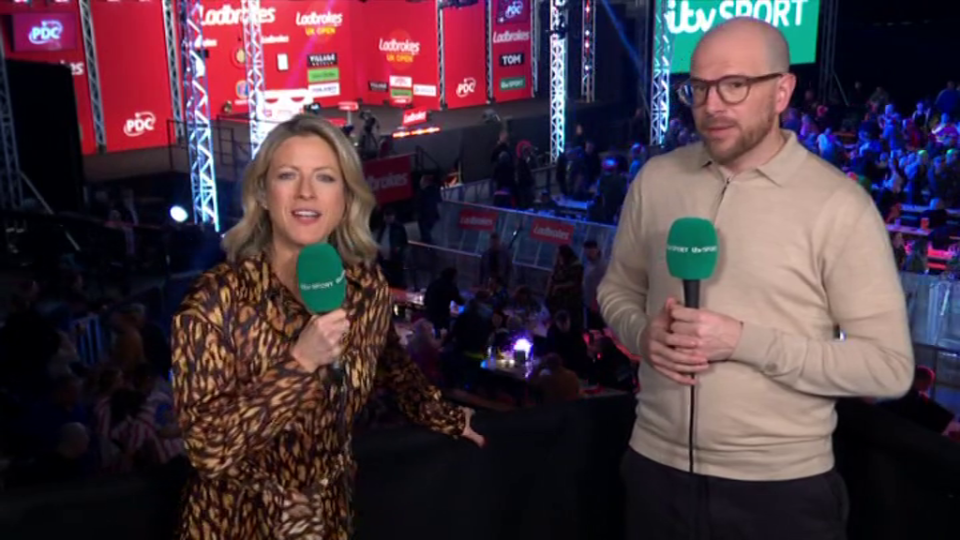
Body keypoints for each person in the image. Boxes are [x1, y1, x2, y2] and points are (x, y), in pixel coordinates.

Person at [598, 19, 913, 540]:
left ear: (782, 91)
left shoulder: (839, 206)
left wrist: (743, 341)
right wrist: (642, 335)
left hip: (779, 494)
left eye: (735, 85)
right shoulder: (657, 179)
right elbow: (616, 290)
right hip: (654, 469)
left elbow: (888, 369)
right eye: (698, 88)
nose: (712, 105)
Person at [171, 115, 484, 540]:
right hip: (235, 524)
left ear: (345, 197)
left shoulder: (364, 286)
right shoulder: (213, 302)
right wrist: (298, 364)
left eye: (325, 177)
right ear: (262, 192)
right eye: (287, 175)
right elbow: (206, 448)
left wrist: (441, 414)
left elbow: (391, 363)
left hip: (327, 520)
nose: (306, 192)